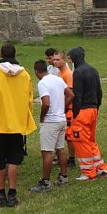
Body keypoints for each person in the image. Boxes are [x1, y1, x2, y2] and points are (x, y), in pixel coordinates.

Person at [0, 42, 37, 207]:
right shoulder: (24, 74)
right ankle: (12, 193)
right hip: (17, 123)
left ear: (1, 54)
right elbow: (29, 100)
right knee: (13, 159)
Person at [29, 60, 73, 192]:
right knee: (60, 148)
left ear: (37, 71)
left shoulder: (42, 83)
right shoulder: (57, 79)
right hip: (61, 119)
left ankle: (45, 182)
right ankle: (63, 177)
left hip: (51, 121)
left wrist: (42, 116)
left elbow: (46, 103)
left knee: (47, 151)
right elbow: (71, 95)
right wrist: (62, 106)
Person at [68, 47, 107, 180]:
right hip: (93, 110)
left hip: (82, 111)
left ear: (73, 58)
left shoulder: (78, 73)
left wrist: (75, 113)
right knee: (91, 140)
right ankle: (100, 167)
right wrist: (97, 107)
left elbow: (77, 95)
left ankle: (88, 172)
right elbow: (99, 92)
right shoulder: (93, 70)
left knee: (81, 141)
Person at [51, 51, 76, 168]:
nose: (55, 61)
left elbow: (70, 94)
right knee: (64, 134)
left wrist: (63, 107)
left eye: (58, 59)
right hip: (62, 107)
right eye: (54, 59)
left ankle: (72, 158)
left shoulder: (68, 74)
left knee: (69, 135)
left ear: (64, 60)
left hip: (68, 108)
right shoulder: (60, 73)